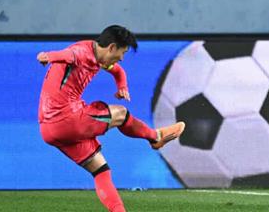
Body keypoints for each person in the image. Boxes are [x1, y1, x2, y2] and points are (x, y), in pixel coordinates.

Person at [37, 25, 185, 212]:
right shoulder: (81, 53)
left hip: (48, 129)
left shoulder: (98, 56)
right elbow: (68, 55)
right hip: (66, 118)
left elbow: (118, 71)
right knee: (121, 114)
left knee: (101, 171)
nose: (121, 58)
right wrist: (48, 56)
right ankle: (155, 137)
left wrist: (122, 86)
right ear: (112, 47)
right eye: (121, 53)